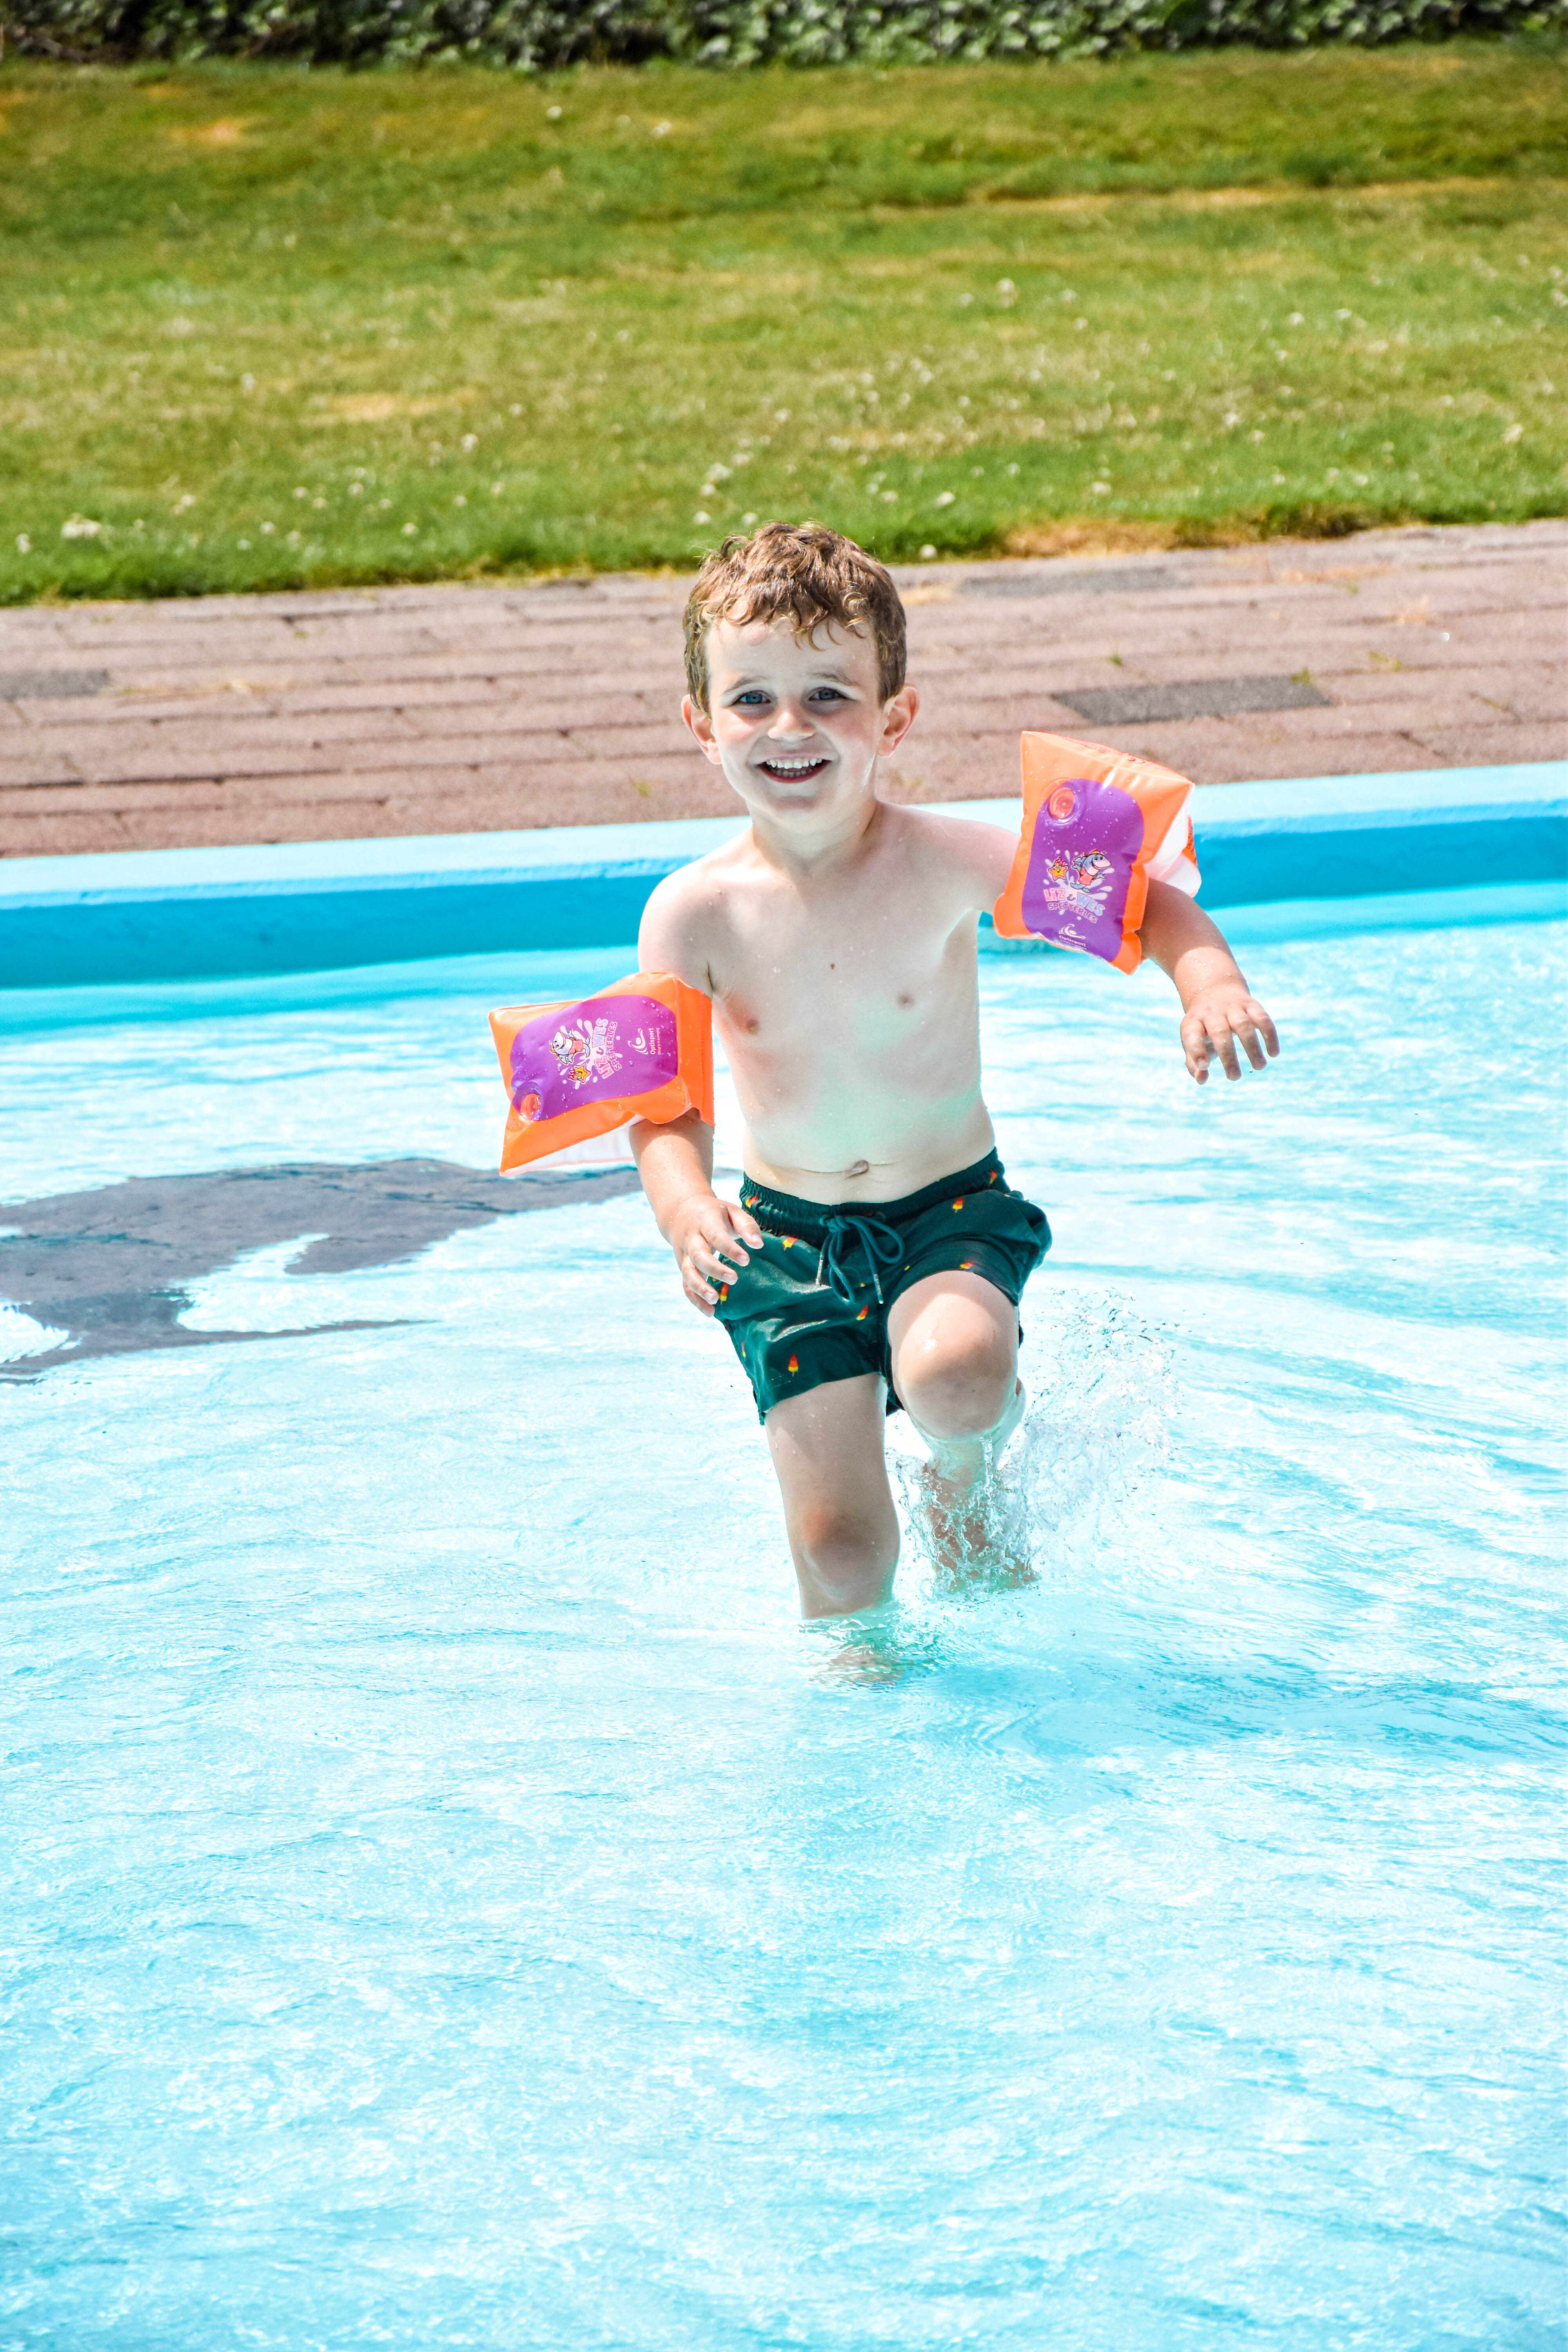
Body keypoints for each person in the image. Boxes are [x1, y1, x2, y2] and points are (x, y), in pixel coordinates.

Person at [631, 524, 1279, 1619]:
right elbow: (666, 1099)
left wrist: (1207, 982)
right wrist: (684, 1206)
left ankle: (965, 1481)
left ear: (895, 714)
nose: (790, 729)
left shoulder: (948, 862)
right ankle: (860, 1694)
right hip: (787, 1245)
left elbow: (1140, 898)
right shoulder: (691, 914)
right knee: (841, 1560)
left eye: (829, 695)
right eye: (753, 701)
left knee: (958, 1376)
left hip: (949, 1212)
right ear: (702, 725)